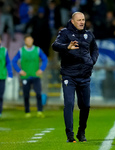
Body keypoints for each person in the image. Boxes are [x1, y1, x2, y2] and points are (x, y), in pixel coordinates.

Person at [52, 12, 99, 142]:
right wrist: (67, 47)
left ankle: (81, 132)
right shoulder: (65, 33)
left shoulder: (89, 35)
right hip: (69, 75)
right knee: (69, 103)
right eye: (79, 20)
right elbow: (55, 46)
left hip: (84, 76)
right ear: (72, 21)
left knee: (85, 106)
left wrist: (92, 61)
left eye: (83, 19)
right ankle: (69, 134)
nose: (81, 22)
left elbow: (95, 49)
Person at [12, 35, 48, 118]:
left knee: (38, 94)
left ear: (32, 40)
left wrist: (41, 69)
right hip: (25, 77)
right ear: (25, 41)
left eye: (30, 40)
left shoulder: (37, 50)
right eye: (27, 40)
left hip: (36, 76)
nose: (29, 41)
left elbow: (45, 59)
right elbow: (14, 61)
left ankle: (40, 111)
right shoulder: (21, 51)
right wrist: (19, 71)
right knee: (26, 95)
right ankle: (27, 111)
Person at [0, 37, 13, 118]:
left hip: (2, 76)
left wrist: (10, 75)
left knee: (0, 96)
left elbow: (8, 63)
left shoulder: (4, 51)